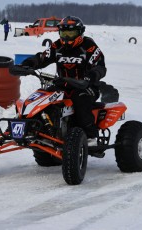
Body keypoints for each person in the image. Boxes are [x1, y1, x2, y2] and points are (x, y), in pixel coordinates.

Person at [16, 16, 106, 145]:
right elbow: (42, 58)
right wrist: (27, 64)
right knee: (43, 96)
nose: (67, 37)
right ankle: (41, 130)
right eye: (64, 33)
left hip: (86, 86)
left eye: (71, 33)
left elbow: (100, 67)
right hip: (62, 85)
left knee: (80, 98)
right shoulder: (57, 46)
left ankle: (90, 135)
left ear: (80, 32)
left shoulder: (89, 47)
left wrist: (91, 76)